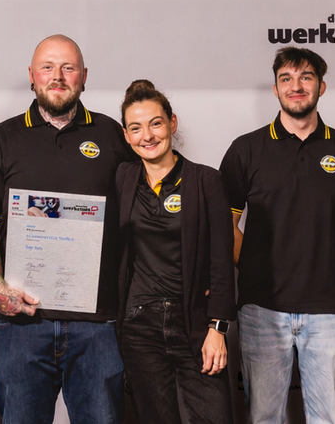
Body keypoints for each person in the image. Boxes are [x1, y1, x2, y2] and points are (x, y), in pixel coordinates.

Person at [0, 34, 134, 423]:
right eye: (47, 67)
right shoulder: (3, 139)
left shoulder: (113, 136)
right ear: (32, 75)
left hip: (98, 326)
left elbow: (142, 215)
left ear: (84, 77)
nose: (57, 76)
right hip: (22, 325)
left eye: (68, 68)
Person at [219, 47, 335, 424]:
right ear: (275, 88)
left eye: (306, 77)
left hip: (327, 310)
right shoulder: (246, 150)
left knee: (326, 418)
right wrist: (258, 268)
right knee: (264, 418)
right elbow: (224, 227)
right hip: (261, 308)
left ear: (321, 86)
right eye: (286, 79)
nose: (296, 86)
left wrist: (324, 268)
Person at [114, 80, 236, 424]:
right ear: (126, 135)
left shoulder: (205, 181)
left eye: (155, 123)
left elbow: (221, 261)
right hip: (139, 326)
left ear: (172, 123)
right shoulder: (122, 179)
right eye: (136, 128)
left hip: (194, 324)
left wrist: (218, 328)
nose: (147, 136)